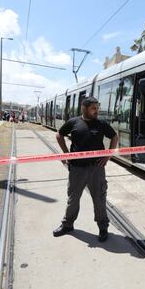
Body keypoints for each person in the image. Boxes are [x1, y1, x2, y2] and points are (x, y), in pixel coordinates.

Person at [53, 97, 118, 242]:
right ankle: (68, 225)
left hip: (96, 169)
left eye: (97, 108)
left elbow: (114, 137)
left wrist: (108, 156)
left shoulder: (101, 124)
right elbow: (59, 134)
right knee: (73, 198)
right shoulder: (74, 122)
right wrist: (66, 153)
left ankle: (103, 227)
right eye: (93, 108)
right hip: (77, 169)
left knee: (100, 198)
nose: (96, 111)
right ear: (84, 108)